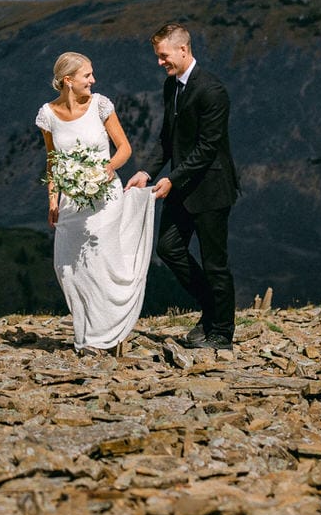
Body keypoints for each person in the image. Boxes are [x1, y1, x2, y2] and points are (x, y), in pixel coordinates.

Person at [127, 23, 240, 351]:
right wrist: (147, 172)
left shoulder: (212, 90)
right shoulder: (171, 87)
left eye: (163, 56)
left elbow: (208, 147)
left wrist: (172, 178)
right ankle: (212, 310)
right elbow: (168, 139)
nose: (160, 62)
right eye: (158, 57)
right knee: (168, 248)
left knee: (215, 262)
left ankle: (222, 334)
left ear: (183, 50)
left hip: (211, 188)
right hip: (182, 186)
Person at [36, 51, 154, 354]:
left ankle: (103, 338)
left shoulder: (100, 105)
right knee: (67, 268)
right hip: (71, 203)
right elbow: (52, 161)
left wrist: (107, 169)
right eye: (87, 75)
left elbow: (124, 148)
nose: (93, 80)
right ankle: (88, 327)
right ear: (68, 81)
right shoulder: (47, 115)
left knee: (99, 261)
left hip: (105, 197)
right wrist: (52, 199)